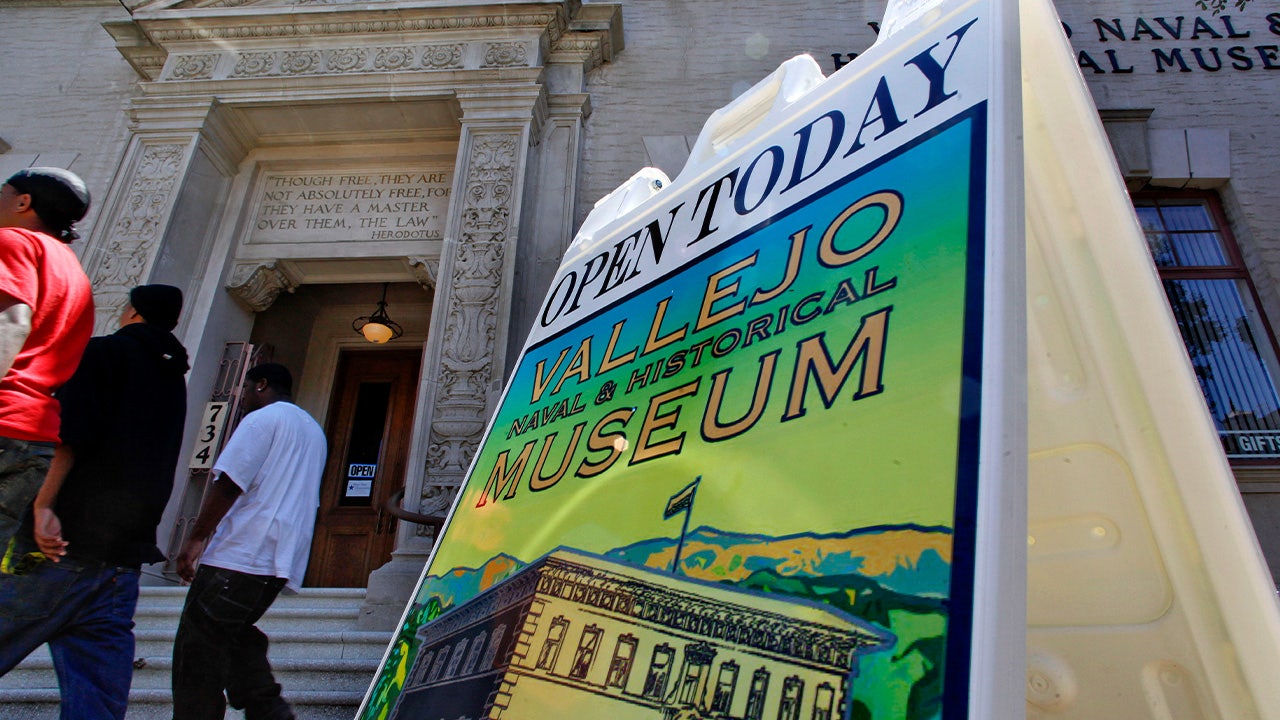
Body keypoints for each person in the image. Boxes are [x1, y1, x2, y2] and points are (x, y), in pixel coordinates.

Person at [0, 284, 189, 720]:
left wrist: (43, 506)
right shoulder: (172, 376)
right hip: (121, 561)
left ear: (133, 313)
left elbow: (69, 436)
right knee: (98, 701)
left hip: (63, 548)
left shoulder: (104, 353)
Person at [172, 362, 326, 720]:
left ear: (261, 385)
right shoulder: (313, 431)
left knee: (197, 657)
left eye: (244, 389)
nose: (239, 398)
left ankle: (260, 709)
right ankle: (269, 710)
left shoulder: (261, 421)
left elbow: (230, 482)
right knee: (236, 637)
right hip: (280, 560)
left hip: (240, 554)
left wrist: (196, 539)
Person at [0, 167, 94, 549]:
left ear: (24, 202)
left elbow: (10, 323)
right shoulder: (75, 274)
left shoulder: (12, 242)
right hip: (34, 437)